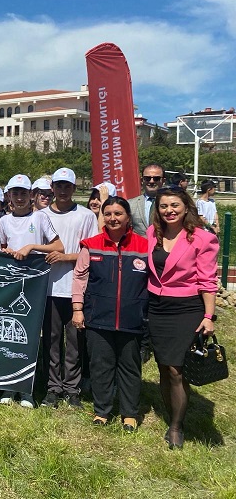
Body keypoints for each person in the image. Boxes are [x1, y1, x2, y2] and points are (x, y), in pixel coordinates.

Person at [146, 186, 218, 449]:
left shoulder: (202, 238)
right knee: (164, 366)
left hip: (186, 308)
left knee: (177, 369)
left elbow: (208, 281)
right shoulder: (153, 232)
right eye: (164, 206)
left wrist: (209, 316)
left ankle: (176, 425)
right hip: (157, 307)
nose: (169, 210)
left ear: (186, 206)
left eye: (174, 205)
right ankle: (170, 413)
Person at [72, 196, 148, 431]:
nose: (113, 218)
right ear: (103, 216)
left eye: (118, 214)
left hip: (132, 318)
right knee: (100, 366)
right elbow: (79, 278)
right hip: (98, 317)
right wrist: (77, 309)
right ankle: (102, 410)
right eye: (108, 214)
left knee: (130, 367)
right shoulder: (91, 244)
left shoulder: (144, 246)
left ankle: (129, 413)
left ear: (128, 217)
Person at [0, 174, 64, 408]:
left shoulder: (41, 217)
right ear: (9, 196)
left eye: (23, 193)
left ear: (31, 195)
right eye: (15, 193)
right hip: (12, 284)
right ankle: (9, 386)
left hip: (36, 285)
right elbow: (3, 247)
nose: (19, 197)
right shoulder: (4, 221)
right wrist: (8, 252)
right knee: (10, 336)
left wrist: (32, 247)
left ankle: (26, 388)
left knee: (31, 337)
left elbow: (58, 246)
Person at [41, 168, 98, 409]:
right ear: (52, 188)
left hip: (76, 289)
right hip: (48, 288)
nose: (63, 191)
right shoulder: (41, 215)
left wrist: (65, 257)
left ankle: (72, 388)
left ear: (74, 189)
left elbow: (91, 252)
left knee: (75, 341)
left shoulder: (85, 216)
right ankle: (53, 386)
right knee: (52, 341)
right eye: (59, 186)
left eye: (68, 186)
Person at [129, 164, 164, 237]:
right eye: (147, 178)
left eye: (156, 178)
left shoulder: (172, 204)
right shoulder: (130, 204)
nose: (151, 181)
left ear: (163, 180)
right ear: (142, 180)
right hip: (139, 246)